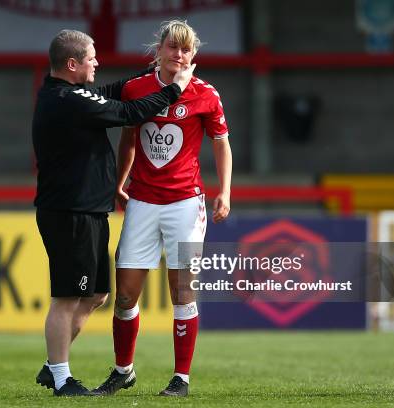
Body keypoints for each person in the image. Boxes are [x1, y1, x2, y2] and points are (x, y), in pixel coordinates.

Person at [32, 29, 195, 397]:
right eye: (91, 58)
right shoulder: (68, 101)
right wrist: (174, 88)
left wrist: (156, 73)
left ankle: (51, 366)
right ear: (72, 65)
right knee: (67, 297)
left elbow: (115, 92)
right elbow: (128, 112)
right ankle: (61, 377)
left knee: (95, 296)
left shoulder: (71, 94)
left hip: (88, 211)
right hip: (68, 211)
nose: (97, 63)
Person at [93, 20, 232, 397]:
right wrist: (120, 183)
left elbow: (221, 143)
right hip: (142, 202)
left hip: (186, 203)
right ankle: (124, 370)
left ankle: (181, 378)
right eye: (173, 47)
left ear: (194, 55)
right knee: (125, 296)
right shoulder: (136, 88)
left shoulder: (206, 94)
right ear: (160, 49)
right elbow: (128, 137)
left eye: (187, 50)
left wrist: (225, 192)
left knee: (182, 292)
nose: (180, 55)